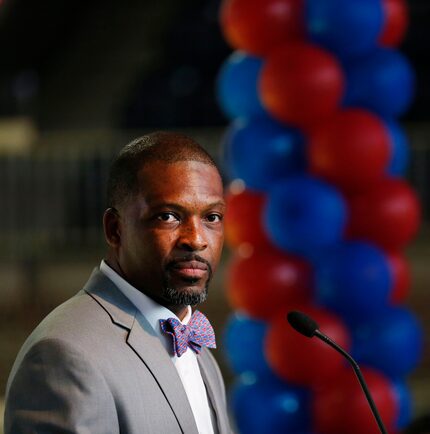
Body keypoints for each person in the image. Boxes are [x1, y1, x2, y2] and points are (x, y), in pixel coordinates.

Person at [4, 132, 232, 434]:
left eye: (212, 217)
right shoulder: (63, 356)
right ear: (115, 230)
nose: (197, 239)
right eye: (167, 216)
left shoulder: (197, 347)